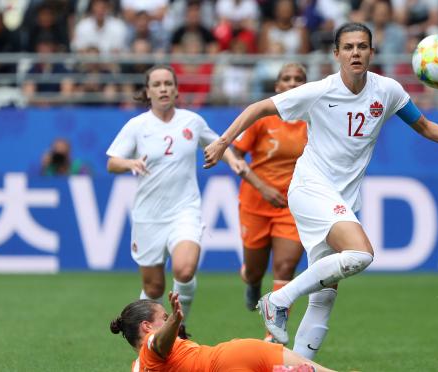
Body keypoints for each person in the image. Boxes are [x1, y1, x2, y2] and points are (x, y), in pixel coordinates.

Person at [203, 22, 438, 358]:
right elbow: (258, 108)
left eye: (362, 46)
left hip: (342, 197)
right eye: (348, 47)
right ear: (336, 54)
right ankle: (277, 299)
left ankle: (297, 366)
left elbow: (422, 124)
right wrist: (222, 143)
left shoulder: (387, 90)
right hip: (310, 189)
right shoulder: (319, 90)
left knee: (325, 296)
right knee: (361, 254)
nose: (355, 53)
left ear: (371, 53)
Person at [106, 65, 246, 339]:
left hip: (185, 210)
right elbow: (112, 163)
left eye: (168, 83)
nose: (163, 89)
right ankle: (145, 341)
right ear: (148, 91)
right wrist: (130, 162)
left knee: (184, 268)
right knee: (154, 288)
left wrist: (233, 161)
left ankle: (177, 331)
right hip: (149, 216)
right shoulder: (137, 126)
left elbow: (217, 143)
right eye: (157, 84)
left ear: (176, 89)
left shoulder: (191, 121)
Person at [232, 63, 307, 332]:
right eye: (286, 79)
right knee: (254, 271)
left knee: (285, 268)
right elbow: (236, 156)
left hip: (293, 205)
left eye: (298, 79)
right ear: (277, 87)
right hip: (256, 203)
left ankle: (272, 335)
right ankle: (252, 283)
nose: (292, 83)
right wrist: (262, 187)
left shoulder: (315, 120)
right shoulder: (262, 117)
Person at [110, 291, 335, 371]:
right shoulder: (149, 352)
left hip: (231, 361)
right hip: (242, 351)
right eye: (164, 318)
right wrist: (176, 320)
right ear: (146, 326)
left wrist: (173, 322)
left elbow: (159, 343)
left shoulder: (143, 361)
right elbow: (159, 343)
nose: (169, 321)